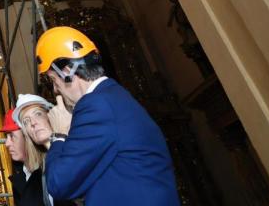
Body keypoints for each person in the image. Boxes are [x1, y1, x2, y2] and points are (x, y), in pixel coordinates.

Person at [36, 26, 179, 205]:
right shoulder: (112, 98)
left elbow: (59, 183)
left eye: (53, 80)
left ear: (67, 72)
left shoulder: (95, 106)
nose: (55, 89)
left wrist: (58, 135)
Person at [12, 95, 75, 206]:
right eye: (26, 121)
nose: (33, 123)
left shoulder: (78, 149)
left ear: (51, 116)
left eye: (38, 114)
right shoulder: (36, 178)